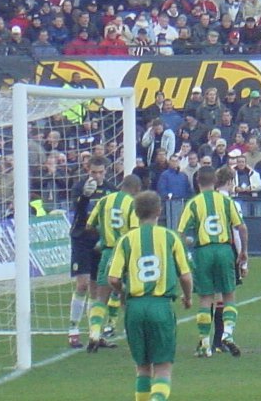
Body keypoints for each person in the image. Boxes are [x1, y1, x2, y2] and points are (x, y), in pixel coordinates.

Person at [108, 190, 193, 401]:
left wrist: (124, 293)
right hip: (160, 306)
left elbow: (113, 278)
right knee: (163, 367)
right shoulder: (170, 237)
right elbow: (186, 276)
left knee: (142, 367)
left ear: (136, 213)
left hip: (135, 307)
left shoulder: (126, 240)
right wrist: (188, 297)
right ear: (159, 211)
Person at [177, 166, 248, 358]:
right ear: (215, 182)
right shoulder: (226, 201)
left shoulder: (193, 203)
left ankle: (205, 344)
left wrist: (186, 254)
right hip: (224, 250)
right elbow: (242, 228)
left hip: (204, 252)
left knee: (205, 299)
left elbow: (181, 232)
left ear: (198, 182)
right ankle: (227, 335)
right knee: (229, 295)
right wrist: (244, 254)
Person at [85, 174, 142, 351]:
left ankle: (94, 333)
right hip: (125, 253)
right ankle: (135, 335)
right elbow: (134, 231)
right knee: (129, 295)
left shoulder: (104, 201)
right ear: (136, 190)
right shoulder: (133, 204)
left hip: (108, 252)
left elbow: (89, 226)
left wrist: (103, 236)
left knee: (101, 295)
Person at [68, 156, 118, 349]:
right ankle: (73, 330)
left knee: (97, 288)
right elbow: (78, 212)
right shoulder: (79, 187)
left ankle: (94, 332)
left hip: (100, 241)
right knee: (82, 284)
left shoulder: (111, 190)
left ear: (106, 171)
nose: (97, 176)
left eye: (100, 172)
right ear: (88, 170)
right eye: (93, 172)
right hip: (81, 239)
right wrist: (84, 197)